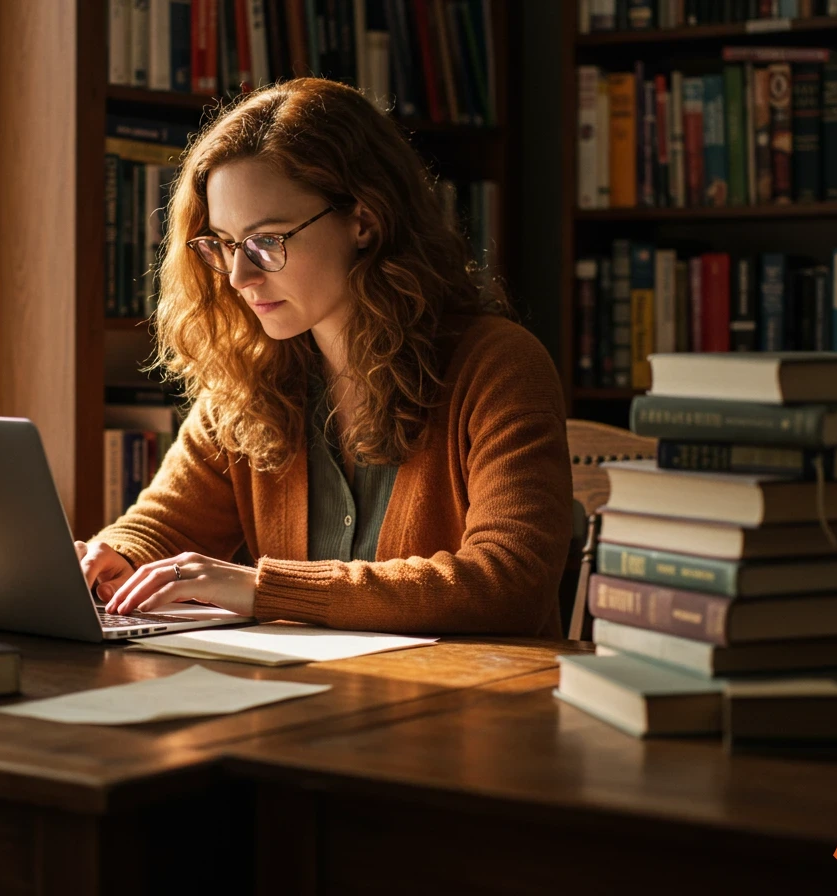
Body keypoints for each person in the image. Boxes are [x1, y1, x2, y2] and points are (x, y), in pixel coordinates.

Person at [76, 77, 572, 637]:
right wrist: (115, 554)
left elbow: (510, 582)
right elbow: (167, 526)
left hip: (469, 707)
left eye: (266, 241)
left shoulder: (498, 366)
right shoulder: (251, 376)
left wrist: (264, 590)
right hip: (310, 702)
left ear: (363, 220)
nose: (239, 277)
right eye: (224, 243)